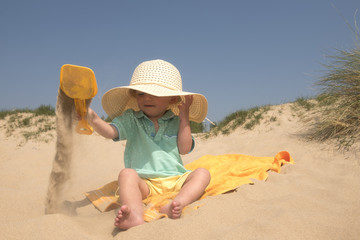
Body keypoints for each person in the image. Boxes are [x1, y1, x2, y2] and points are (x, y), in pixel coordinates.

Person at [86, 59, 211, 230]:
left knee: (203, 173)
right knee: (126, 174)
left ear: (172, 98)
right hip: (145, 183)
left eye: (155, 93)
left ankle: (178, 203)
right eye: (140, 93)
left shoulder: (177, 121)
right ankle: (135, 215)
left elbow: (185, 148)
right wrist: (93, 119)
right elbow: (111, 132)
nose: (147, 98)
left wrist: (184, 118)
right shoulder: (131, 118)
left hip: (176, 178)